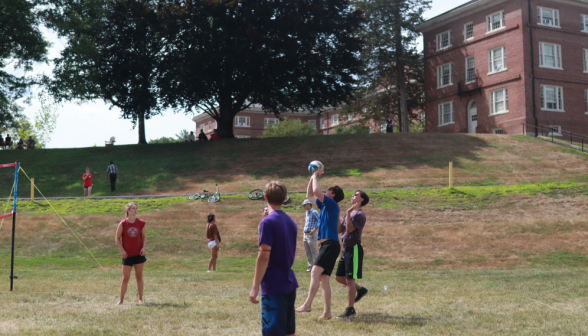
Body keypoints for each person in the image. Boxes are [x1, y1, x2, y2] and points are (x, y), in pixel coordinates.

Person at [249, 181, 298, 336]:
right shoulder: (291, 221)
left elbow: (264, 257)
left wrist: (255, 286)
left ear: (265, 197)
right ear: (284, 199)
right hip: (289, 281)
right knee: (288, 331)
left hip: (273, 284)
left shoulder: (268, 222)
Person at [295, 169, 345, 320]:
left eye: (328, 190)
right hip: (328, 245)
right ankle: (327, 313)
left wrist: (315, 176)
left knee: (314, 272)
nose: (325, 191)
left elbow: (316, 191)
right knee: (324, 280)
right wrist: (311, 176)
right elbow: (310, 195)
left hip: (330, 244)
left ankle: (308, 304)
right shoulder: (325, 206)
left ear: (332, 193)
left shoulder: (331, 204)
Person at [335, 190, 370, 318]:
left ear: (361, 200)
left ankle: (350, 309)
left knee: (349, 280)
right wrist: (338, 214)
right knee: (339, 277)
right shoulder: (348, 213)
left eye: (356, 195)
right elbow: (340, 230)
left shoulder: (360, 214)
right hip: (346, 249)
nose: (352, 196)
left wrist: (349, 213)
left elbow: (350, 229)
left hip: (354, 248)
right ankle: (360, 289)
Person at [115, 202, 147, 305]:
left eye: (136, 208)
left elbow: (144, 237)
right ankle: (121, 300)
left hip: (138, 254)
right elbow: (117, 238)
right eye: (133, 208)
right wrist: (122, 250)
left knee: (139, 277)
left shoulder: (141, 223)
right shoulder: (123, 223)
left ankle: (140, 299)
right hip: (127, 255)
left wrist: (143, 248)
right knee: (125, 278)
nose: (135, 210)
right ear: (128, 210)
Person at [302, 199, 319, 272]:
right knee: (308, 252)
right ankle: (310, 267)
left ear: (309, 204)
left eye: (305, 205)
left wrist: (314, 230)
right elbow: (307, 222)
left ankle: (319, 266)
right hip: (305, 234)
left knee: (314, 251)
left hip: (311, 234)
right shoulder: (307, 212)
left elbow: (320, 221)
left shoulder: (314, 212)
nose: (304, 207)